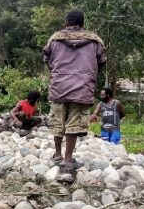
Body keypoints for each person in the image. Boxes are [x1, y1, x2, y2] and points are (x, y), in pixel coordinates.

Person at [43, 9, 107, 170]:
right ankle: (68, 159)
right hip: (82, 88)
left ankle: (57, 155)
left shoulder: (55, 39)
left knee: (58, 122)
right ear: (83, 24)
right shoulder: (95, 41)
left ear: (66, 23)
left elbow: (47, 59)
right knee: (74, 124)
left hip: (59, 87)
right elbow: (101, 62)